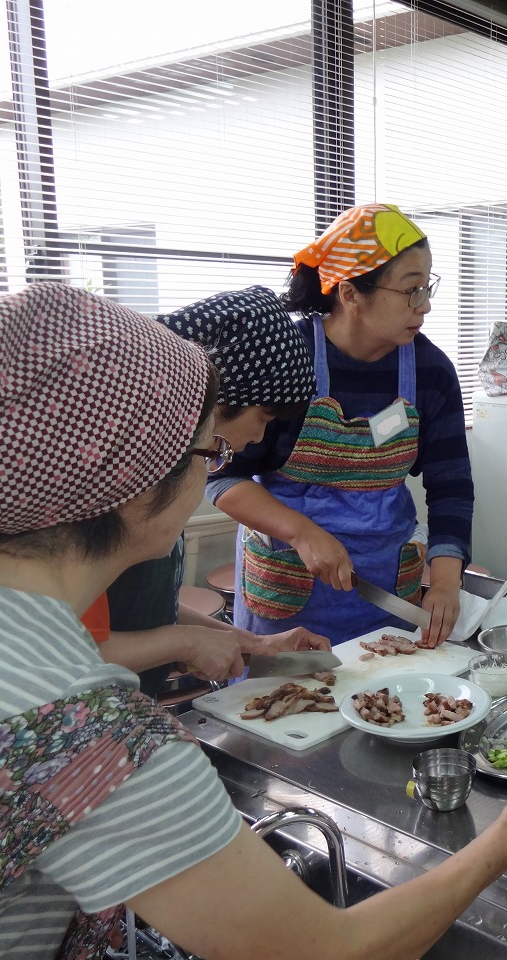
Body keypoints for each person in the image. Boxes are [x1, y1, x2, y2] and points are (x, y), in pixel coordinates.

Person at [0, 283, 507, 960]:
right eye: (209, 452)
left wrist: (243, 643)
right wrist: (501, 846)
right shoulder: (85, 736)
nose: (215, 473)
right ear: (133, 487)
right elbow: (327, 952)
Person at [209, 203, 473, 647]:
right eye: (411, 290)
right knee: (287, 690)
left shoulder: (432, 372)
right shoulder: (285, 360)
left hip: (386, 586)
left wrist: (446, 581)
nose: (425, 305)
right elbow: (221, 475)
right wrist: (301, 531)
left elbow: (452, 486)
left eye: (427, 287)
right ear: (349, 294)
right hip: (290, 587)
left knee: (386, 688)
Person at [93, 286, 330, 694]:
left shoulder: (165, 474)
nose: (259, 437)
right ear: (219, 399)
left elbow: (147, 610)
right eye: (263, 418)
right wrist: (185, 643)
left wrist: (256, 645)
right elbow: (68, 649)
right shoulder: (111, 491)